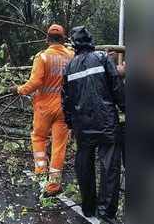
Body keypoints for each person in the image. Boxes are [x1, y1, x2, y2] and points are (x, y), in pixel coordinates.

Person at [62, 26, 125, 223]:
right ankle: (105, 213)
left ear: (74, 45)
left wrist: (71, 123)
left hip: (82, 124)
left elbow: (65, 99)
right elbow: (116, 86)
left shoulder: (69, 67)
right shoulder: (103, 58)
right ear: (90, 41)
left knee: (84, 165)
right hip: (106, 122)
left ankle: (88, 207)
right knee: (109, 168)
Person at [10, 24, 74, 197]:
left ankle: (40, 172)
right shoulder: (71, 56)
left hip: (44, 108)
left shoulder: (42, 57)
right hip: (64, 108)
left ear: (47, 39)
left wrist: (19, 89)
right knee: (59, 145)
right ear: (64, 39)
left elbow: (35, 82)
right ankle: (53, 186)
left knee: (38, 138)